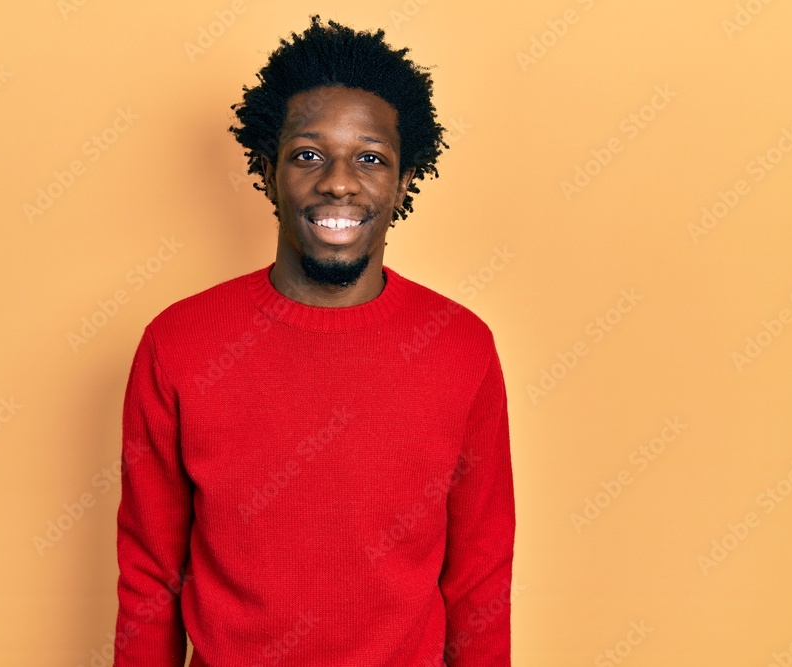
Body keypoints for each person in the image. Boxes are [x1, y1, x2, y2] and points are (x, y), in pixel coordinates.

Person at [113, 15, 514, 666]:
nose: (338, 180)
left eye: (370, 158)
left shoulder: (461, 347)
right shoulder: (178, 344)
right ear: (267, 170)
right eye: (308, 153)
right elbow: (151, 579)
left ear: (404, 180)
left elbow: (479, 582)